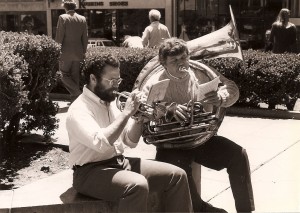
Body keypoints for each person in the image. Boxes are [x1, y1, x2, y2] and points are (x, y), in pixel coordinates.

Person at [124, 37, 255, 212]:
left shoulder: (199, 71)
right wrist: (164, 110)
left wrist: (222, 97)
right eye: (174, 61)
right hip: (170, 145)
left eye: (184, 58)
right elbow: (139, 120)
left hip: (200, 139)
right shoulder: (153, 82)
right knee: (185, 194)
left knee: (238, 155)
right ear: (163, 64)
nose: (182, 64)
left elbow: (231, 88)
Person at [66, 53, 193, 212]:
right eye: (112, 81)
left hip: (118, 162)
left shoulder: (109, 102)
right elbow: (101, 144)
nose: (116, 86)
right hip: (88, 173)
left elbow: (130, 141)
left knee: (177, 175)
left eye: (118, 80)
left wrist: (141, 117)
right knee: (136, 186)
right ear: (93, 79)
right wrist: (127, 113)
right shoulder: (79, 109)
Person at [55, 0, 88, 103]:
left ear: (65, 8)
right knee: (75, 77)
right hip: (78, 52)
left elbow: (59, 36)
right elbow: (85, 38)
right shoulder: (82, 19)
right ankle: (76, 100)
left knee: (62, 74)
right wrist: (83, 51)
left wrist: (56, 49)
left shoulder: (63, 18)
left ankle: (78, 93)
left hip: (65, 53)